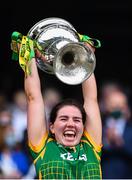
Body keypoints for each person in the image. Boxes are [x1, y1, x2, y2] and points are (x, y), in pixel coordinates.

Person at [11, 32, 102, 179]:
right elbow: (33, 98)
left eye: (77, 120)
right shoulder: (44, 148)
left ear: (84, 126)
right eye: (64, 119)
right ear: (52, 126)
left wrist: (85, 56)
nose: (71, 124)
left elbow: (91, 99)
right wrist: (29, 56)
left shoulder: (91, 147)